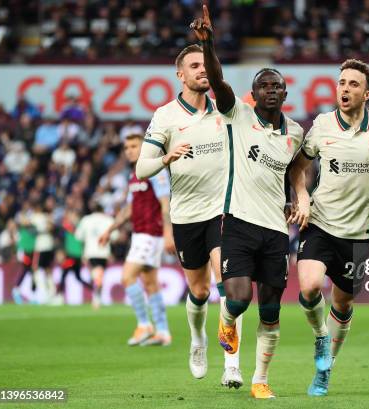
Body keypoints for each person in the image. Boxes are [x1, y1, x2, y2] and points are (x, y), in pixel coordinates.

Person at [192, 5, 307, 399]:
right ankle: (225, 320)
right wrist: (208, 45)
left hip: (276, 230)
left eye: (277, 86)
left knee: (271, 312)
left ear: (285, 93)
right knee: (238, 300)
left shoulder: (295, 132)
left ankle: (260, 380)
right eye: (264, 86)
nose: (271, 90)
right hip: (238, 223)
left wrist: (299, 195)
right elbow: (219, 81)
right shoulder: (237, 114)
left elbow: (294, 168)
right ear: (253, 94)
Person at [289, 59, 369, 396]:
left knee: (343, 305)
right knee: (310, 287)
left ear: (367, 93)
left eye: (353, 84)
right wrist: (302, 196)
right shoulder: (322, 125)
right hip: (320, 222)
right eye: (341, 82)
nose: (345, 89)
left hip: (358, 234)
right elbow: (296, 168)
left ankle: (326, 367)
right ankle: (320, 340)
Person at [135, 43, 244, 386]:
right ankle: (198, 341)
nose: (202, 70)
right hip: (186, 216)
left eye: (206, 65)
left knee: (228, 286)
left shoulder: (226, 110)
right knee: (198, 292)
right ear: (180, 75)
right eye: (194, 65)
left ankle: (232, 363)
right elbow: (141, 169)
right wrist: (165, 159)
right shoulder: (165, 115)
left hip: (224, 211)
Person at [101, 134, 174, 346]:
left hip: (151, 234)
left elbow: (165, 203)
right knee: (151, 284)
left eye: (134, 146)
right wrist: (110, 229)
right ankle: (162, 331)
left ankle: (144, 324)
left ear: (144, 148)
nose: (129, 150)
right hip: (140, 234)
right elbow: (129, 209)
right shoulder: (135, 175)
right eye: (126, 147)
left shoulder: (155, 171)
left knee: (127, 277)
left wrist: (169, 233)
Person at [75, 203, 116, 309]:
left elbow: (78, 236)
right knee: (99, 274)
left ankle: (96, 295)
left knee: (96, 274)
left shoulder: (86, 220)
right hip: (104, 252)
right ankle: (97, 296)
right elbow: (115, 236)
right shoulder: (108, 220)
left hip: (90, 252)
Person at [57, 209, 93, 299]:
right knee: (78, 277)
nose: (70, 218)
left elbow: (66, 225)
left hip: (74, 255)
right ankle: (93, 288)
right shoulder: (71, 227)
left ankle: (59, 296)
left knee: (64, 274)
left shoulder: (77, 226)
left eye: (72, 216)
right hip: (73, 255)